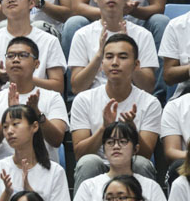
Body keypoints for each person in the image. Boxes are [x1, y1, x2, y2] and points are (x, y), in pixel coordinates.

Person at [69, 33, 162, 188]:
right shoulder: (84, 99)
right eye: (109, 57)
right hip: (98, 164)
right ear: (101, 64)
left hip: (131, 164)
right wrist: (104, 128)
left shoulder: (150, 103)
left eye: (123, 57)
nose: (115, 62)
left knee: (142, 164)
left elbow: (145, 154)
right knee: (88, 162)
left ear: (136, 64)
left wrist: (132, 129)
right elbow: (80, 154)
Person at [67, 0, 160, 94]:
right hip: (94, 99)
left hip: (133, 101)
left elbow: (148, 87)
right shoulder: (82, 35)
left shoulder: (143, 35)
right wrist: (100, 55)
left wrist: (129, 54)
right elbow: (77, 88)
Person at [71, 121, 167, 201]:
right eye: (110, 142)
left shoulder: (151, 186)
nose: (116, 146)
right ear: (104, 149)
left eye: (123, 141)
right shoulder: (88, 185)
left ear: (135, 149)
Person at [0, 0, 67, 92]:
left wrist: (26, 79)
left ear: (31, 3)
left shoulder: (49, 40)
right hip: (1, 103)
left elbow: (58, 87)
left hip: (39, 100)